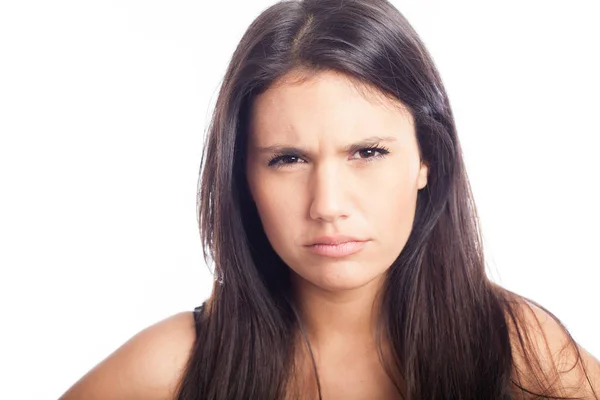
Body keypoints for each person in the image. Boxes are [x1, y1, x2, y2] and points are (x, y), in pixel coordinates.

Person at [59, 0, 600, 399]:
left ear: (426, 159)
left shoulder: (518, 347)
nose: (328, 204)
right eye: (288, 159)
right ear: (242, 177)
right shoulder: (171, 367)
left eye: (366, 152)